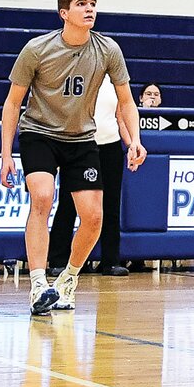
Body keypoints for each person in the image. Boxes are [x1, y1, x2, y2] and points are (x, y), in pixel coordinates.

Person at [0, 0, 145, 314]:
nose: (90, 8)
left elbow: (126, 101)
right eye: (81, 3)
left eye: (92, 3)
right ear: (64, 13)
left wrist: (135, 140)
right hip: (39, 133)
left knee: (94, 217)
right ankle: (38, 284)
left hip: (81, 138)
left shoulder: (108, 50)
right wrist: (6, 155)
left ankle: (67, 281)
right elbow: (12, 103)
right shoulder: (37, 49)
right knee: (42, 197)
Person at [47, 79, 131, 276]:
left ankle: (110, 261)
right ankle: (58, 261)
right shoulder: (77, 75)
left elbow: (120, 117)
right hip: (79, 146)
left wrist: (132, 144)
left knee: (110, 205)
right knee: (68, 204)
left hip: (111, 147)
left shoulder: (115, 80)